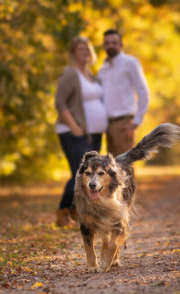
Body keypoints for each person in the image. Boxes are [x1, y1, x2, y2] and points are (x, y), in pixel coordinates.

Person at [54, 37, 108, 227]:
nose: (84, 52)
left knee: (89, 174)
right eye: (80, 49)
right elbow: (60, 103)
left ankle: (77, 212)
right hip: (73, 132)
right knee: (80, 172)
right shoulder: (70, 74)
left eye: (87, 49)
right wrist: (74, 126)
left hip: (94, 133)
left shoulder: (91, 75)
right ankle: (63, 213)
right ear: (73, 53)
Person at [98, 29, 150, 157]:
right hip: (107, 125)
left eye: (114, 43)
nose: (111, 46)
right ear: (104, 46)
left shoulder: (130, 63)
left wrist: (136, 122)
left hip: (124, 124)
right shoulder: (103, 69)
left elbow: (143, 92)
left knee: (124, 168)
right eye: (107, 43)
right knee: (112, 169)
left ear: (121, 45)